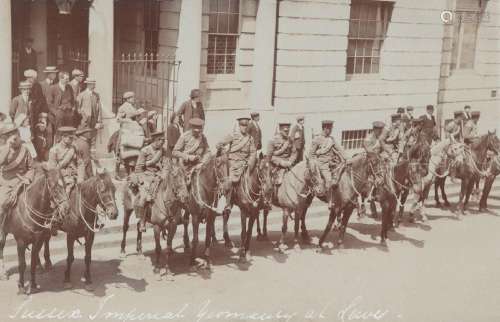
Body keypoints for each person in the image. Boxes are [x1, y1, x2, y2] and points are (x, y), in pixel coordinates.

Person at [0, 122, 35, 240]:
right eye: (9, 134)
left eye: (15, 134)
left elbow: (31, 167)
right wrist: (8, 148)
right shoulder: (3, 149)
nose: (13, 137)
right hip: (8, 183)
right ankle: (1, 229)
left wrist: (28, 178)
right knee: (2, 203)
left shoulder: (25, 149)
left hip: (23, 182)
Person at [216, 116, 257, 216]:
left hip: (245, 163)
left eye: (246, 126)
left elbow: (253, 152)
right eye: (242, 125)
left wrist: (251, 163)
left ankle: (252, 199)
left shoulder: (250, 138)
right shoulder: (232, 135)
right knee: (230, 181)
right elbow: (219, 144)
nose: (244, 128)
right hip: (233, 163)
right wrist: (223, 150)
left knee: (256, 178)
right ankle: (228, 203)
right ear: (239, 126)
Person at [134, 131, 166, 232]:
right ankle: (142, 221)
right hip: (146, 176)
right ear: (155, 140)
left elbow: (166, 164)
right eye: (161, 140)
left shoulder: (163, 150)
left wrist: (163, 174)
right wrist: (143, 181)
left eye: (163, 140)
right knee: (144, 197)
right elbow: (138, 169)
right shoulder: (145, 151)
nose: (162, 142)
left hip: (159, 176)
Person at [309, 120, 348, 197]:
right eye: (330, 129)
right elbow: (311, 154)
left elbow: (339, 149)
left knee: (343, 175)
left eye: (331, 128)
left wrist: (347, 158)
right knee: (329, 180)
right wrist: (314, 165)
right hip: (322, 164)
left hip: (332, 163)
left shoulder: (331, 139)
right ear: (325, 128)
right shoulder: (317, 139)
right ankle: (330, 199)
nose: (331, 130)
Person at [172, 118, 210, 185]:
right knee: (183, 187)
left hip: (198, 164)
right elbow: (174, 152)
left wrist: (203, 162)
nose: (197, 133)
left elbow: (208, 152)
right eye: (195, 131)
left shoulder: (203, 137)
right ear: (192, 128)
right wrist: (188, 157)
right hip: (185, 165)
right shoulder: (184, 136)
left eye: (199, 131)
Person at [48, 127, 80, 195]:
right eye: (70, 138)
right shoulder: (54, 150)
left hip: (74, 176)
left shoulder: (74, 148)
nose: (72, 140)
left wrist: (80, 177)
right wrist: (64, 174)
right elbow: (52, 169)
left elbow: (80, 163)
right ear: (63, 137)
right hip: (60, 177)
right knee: (64, 192)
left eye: (72, 138)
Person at [267, 122, 297, 189]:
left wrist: (290, 162)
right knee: (271, 183)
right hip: (276, 165)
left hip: (288, 164)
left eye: (288, 130)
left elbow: (294, 153)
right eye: (285, 130)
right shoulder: (273, 140)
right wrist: (280, 162)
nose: (287, 132)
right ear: (280, 129)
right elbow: (269, 156)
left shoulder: (290, 140)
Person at [76, 78, 103, 153]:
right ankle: (84, 153)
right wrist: (83, 115)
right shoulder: (82, 95)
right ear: (88, 84)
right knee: (84, 137)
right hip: (85, 121)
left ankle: (93, 154)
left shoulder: (96, 95)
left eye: (94, 83)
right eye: (92, 84)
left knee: (93, 137)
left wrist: (99, 121)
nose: (94, 85)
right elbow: (78, 108)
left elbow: (99, 108)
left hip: (94, 121)